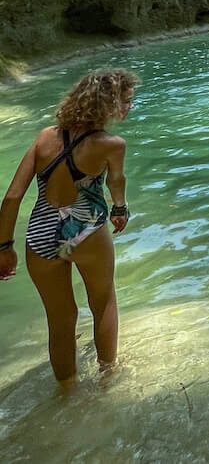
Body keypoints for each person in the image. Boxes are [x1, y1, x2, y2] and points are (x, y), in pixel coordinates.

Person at [0, 68, 139, 387]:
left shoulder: (45, 136)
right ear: (109, 104)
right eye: (127, 101)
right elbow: (116, 182)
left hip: (41, 233)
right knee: (103, 301)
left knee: (60, 320)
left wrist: (4, 248)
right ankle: (107, 379)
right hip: (83, 228)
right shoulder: (111, 144)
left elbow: (12, 197)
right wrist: (120, 208)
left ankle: (66, 392)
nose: (130, 107)